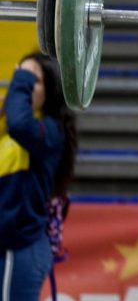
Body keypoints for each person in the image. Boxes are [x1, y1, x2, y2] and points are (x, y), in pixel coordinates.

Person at [0, 53, 77, 301]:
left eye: (34, 79)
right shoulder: (10, 128)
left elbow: (20, 126)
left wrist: (20, 78)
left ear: (50, 92)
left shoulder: (51, 130)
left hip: (18, 247)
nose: (25, 84)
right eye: (21, 76)